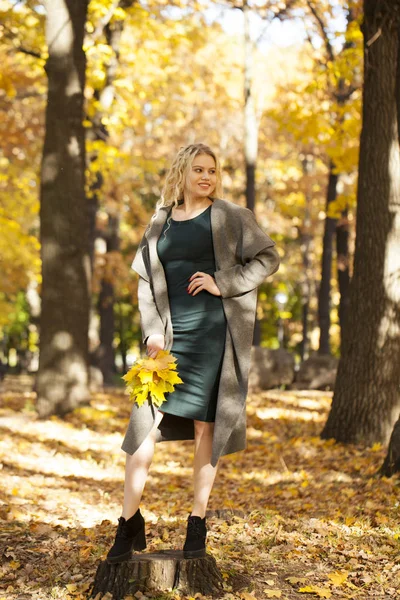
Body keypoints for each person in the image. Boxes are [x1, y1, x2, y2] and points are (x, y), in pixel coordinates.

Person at [107, 143, 280, 563]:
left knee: (206, 428)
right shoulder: (160, 222)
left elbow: (268, 257)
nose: (206, 177)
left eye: (212, 171)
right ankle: (129, 522)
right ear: (182, 173)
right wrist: (151, 333)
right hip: (168, 342)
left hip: (213, 337)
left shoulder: (230, 216)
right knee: (142, 431)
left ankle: (197, 521)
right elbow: (146, 283)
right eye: (198, 170)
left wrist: (224, 281)